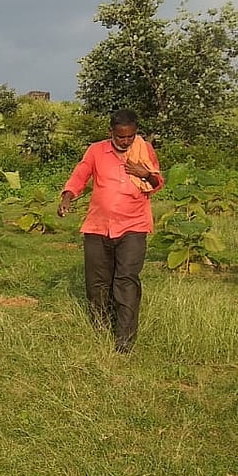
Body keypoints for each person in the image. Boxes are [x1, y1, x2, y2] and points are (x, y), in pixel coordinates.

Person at [58, 108, 163, 353]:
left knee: (126, 280)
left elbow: (158, 183)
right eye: (120, 137)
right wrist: (67, 197)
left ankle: (124, 338)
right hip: (98, 226)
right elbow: (80, 176)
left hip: (133, 226)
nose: (125, 142)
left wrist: (145, 174)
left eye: (130, 137)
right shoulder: (96, 151)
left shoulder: (144, 150)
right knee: (97, 283)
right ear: (110, 133)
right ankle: (100, 328)